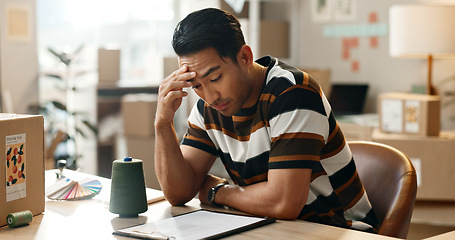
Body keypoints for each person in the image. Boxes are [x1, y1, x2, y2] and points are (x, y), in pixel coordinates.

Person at [155, 8, 378, 233]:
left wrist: (217, 191)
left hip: (341, 230)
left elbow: (284, 202)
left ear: (245, 57)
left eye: (215, 78)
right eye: (196, 86)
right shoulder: (208, 108)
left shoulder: (294, 93)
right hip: (273, 228)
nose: (210, 96)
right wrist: (163, 124)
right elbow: (178, 193)